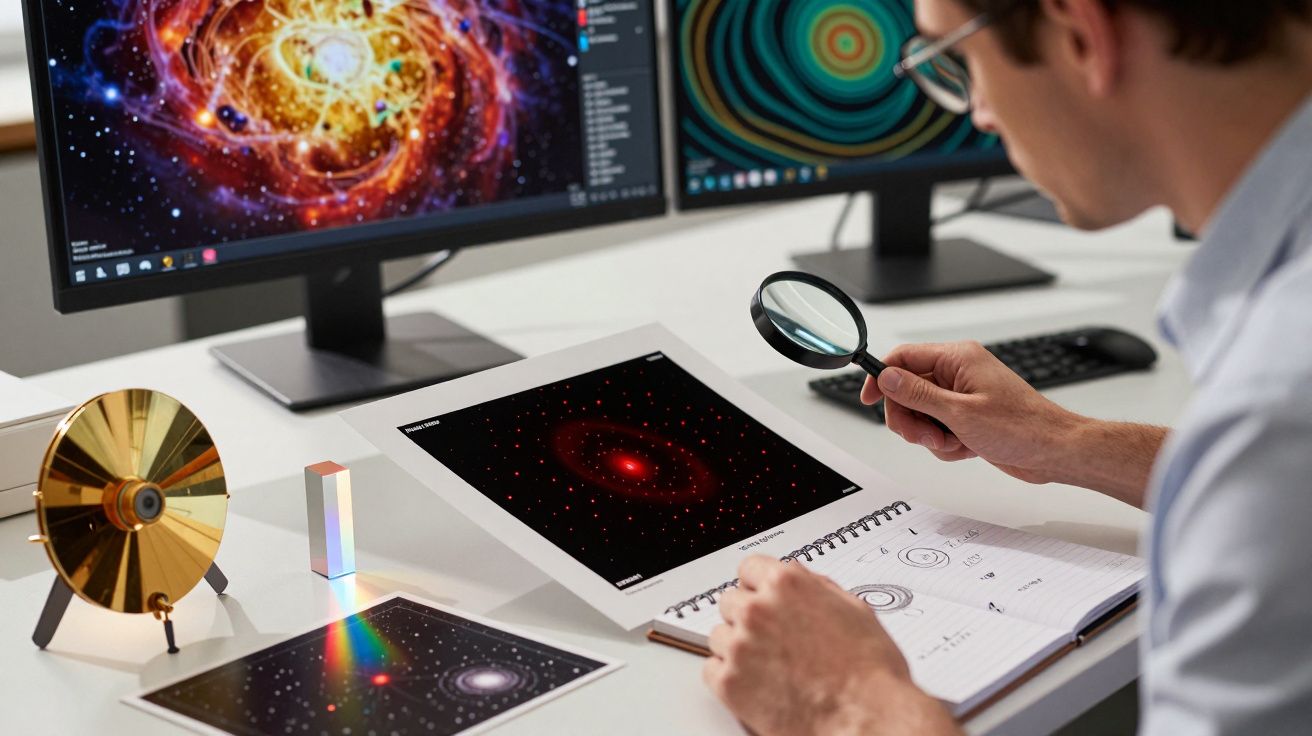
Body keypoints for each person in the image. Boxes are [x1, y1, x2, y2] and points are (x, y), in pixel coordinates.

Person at [701, 0, 1312, 733]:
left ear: (1081, 34)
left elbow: (1274, 463)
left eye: (960, 58)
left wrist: (849, 702)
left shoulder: (1277, 401)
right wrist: (1066, 443)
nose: (980, 115)